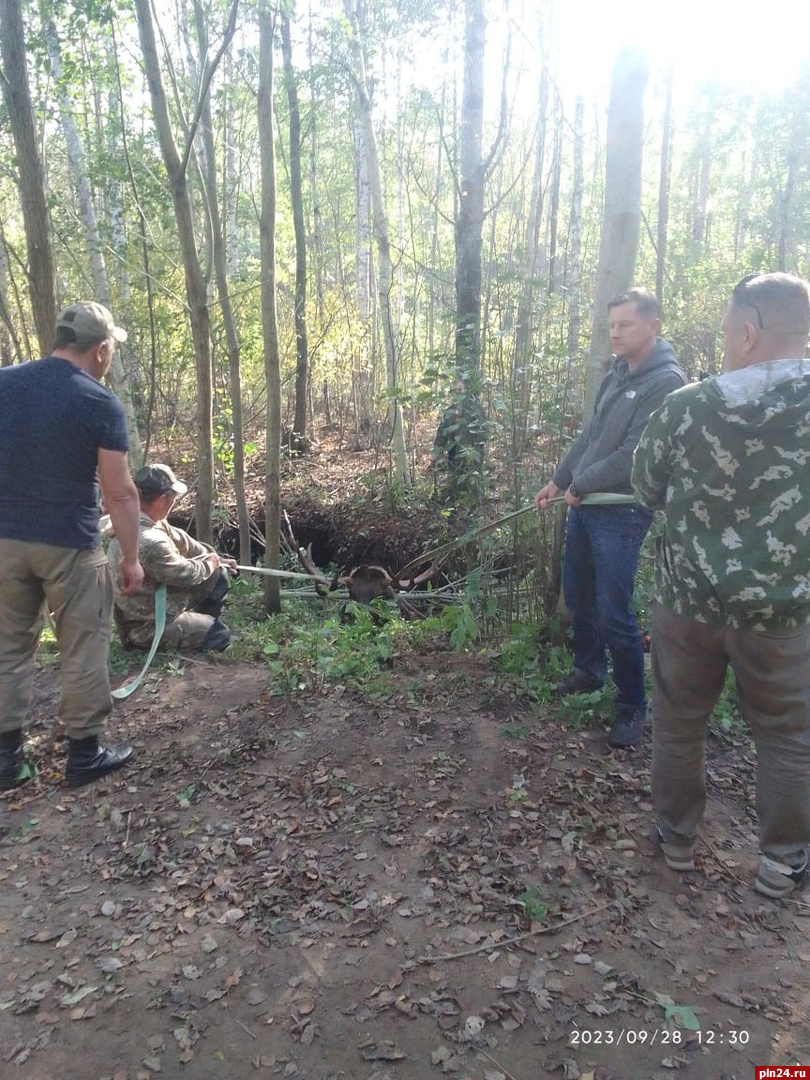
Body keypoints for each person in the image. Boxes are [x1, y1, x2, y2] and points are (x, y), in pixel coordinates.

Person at [632, 272, 810, 899]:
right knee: (788, 733)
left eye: (728, 331)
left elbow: (645, 484)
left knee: (680, 723)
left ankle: (677, 842)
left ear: (747, 332)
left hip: (689, 606)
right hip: (784, 613)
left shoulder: (685, 408)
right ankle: (783, 863)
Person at [0, 302, 143, 791]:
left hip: (4, 539)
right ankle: (84, 754)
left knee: (7, 648)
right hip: (69, 544)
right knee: (83, 645)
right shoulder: (98, 402)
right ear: (100, 349)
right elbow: (121, 492)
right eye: (111, 350)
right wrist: (131, 558)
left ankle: (6, 761)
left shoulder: (4, 383)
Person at [535, 289, 686, 749]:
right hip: (585, 505)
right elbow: (592, 435)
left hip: (620, 511)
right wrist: (560, 480)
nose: (615, 333)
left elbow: (633, 456)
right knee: (578, 593)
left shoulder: (666, 381)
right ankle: (587, 671)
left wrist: (582, 485)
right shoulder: (616, 374)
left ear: (652, 326)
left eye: (625, 324)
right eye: (612, 325)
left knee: (614, 609)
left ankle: (631, 706)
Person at [107, 464, 237, 654]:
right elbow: (187, 574)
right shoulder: (148, 540)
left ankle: (199, 624)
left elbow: (188, 544)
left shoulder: (147, 520)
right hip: (146, 625)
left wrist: (217, 559)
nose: (174, 502)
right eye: (172, 498)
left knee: (218, 573)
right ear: (161, 500)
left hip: (156, 603)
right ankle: (193, 633)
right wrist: (210, 563)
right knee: (219, 636)